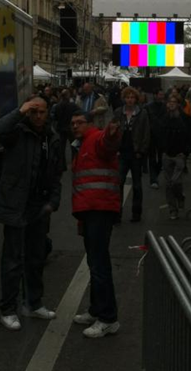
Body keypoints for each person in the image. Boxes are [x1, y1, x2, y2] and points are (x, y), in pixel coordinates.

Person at [0, 96, 62, 331]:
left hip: (39, 207)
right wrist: (20, 111)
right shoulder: (17, 133)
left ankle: (33, 303)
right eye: (34, 112)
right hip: (16, 204)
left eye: (42, 112)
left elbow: (56, 172)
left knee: (36, 258)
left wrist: (54, 200)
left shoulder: (51, 137)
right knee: (12, 260)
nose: (39, 116)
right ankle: (8, 309)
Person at [70, 110, 122, 338]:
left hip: (100, 210)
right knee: (94, 263)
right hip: (91, 210)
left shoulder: (95, 138)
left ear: (89, 124)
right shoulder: (81, 144)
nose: (75, 126)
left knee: (99, 265)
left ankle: (108, 318)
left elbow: (107, 144)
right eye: (72, 123)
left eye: (79, 122)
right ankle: (96, 310)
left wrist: (111, 134)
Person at [113, 87, 150, 221]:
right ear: (124, 98)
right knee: (118, 184)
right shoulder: (118, 112)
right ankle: (117, 213)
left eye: (132, 97)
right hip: (122, 153)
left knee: (137, 185)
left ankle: (136, 213)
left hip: (136, 153)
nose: (130, 100)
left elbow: (146, 133)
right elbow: (113, 130)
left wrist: (141, 151)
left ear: (136, 99)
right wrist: (115, 148)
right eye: (127, 97)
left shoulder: (142, 113)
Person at [159, 94, 191, 220]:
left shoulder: (185, 119)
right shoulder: (164, 118)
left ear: (179, 104)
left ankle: (180, 197)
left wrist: (185, 153)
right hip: (167, 154)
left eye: (174, 102)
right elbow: (159, 135)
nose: (171, 104)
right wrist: (162, 150)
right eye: (169, 102)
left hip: (179, 155)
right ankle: (172, 209)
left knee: (176, 182)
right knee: (168, 184)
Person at [145, 89, 167, 188]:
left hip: (162, 135)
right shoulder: (148, 107)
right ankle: (153, 179)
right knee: (152, 158)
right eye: (160, 94)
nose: (161, 96)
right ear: (155, 95)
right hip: (152, 135)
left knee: (161, 159)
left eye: (162, 95)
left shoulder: (165, 107)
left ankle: (155, 175)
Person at [54, 88, 77, 171]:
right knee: (74, 147)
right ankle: (74, 164)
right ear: (68, 96)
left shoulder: (57, 106)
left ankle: (62, 165)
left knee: (61, 148)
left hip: (60, 128)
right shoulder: (72, 105)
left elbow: (55, 118)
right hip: (70, 128)